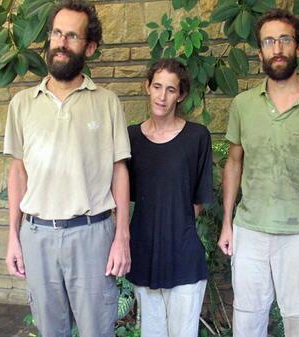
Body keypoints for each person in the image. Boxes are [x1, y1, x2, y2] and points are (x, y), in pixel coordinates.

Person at [2, 1, 131, 336]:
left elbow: (120, 172)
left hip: (91, 235)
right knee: (50, 331)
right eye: (57, 33)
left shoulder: (106, 102)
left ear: (88, 47)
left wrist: (122, 237)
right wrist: (13, 238)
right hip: (37, 236)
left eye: (71, 36)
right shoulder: (22, 104)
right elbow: (18, 173)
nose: (61, 42)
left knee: (96, 330)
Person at [217, 8, 299, 337]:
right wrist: (227, 223)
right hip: (249, 231)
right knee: (247, 324)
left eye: (285, 40)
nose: (277, 48)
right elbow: (233, 162)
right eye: (269, 41)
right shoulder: (242, 104)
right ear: (259, 52)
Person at [125, 58, 213, 337]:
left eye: (171, 90)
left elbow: (197, 200)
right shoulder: (130, 138)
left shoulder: (197, 137)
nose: (162, 96)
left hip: (184, 254)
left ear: (181, 95)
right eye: (157, 87)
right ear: (147, 87)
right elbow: (123, 195)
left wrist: (176, 233)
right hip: (144, 252)